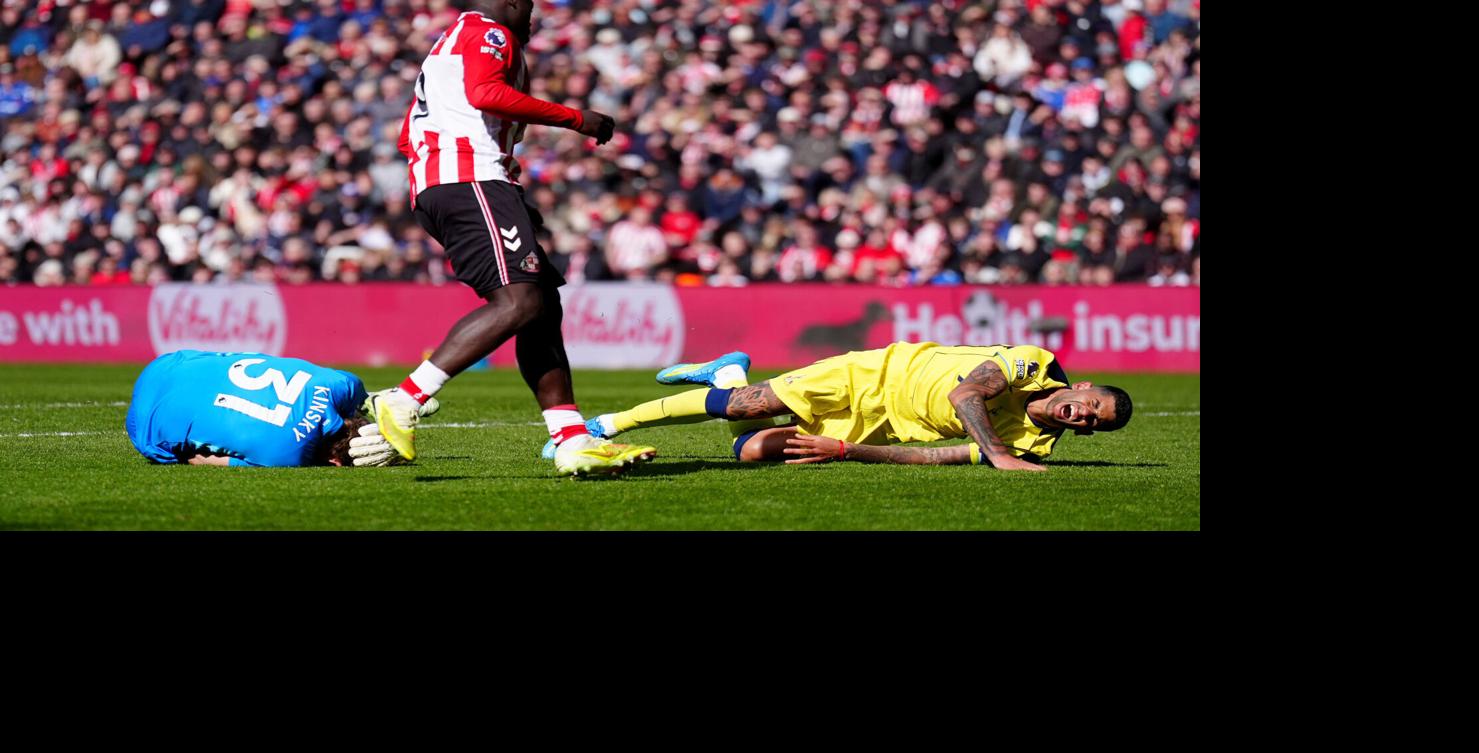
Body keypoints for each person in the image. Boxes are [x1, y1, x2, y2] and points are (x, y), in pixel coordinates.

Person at [371, 0, 654, 478]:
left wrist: (496, 168)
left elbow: (409, 135)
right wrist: (574, 118)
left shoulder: (449, 43)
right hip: (470, 182)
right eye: (527, 4)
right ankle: (404, 399)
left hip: (456, 183)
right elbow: (485, 92)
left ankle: (572, 440)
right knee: (520, 302)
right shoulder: (490, 33)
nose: (533, 13)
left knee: (541, 303)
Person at [544, 345, 1133, 472]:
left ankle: (723, 370)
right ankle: (602, 425)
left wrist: (847, 449)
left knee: (752, 453)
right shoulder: (1031, 363)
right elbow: (964, 396)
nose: (1082, 416)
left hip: (881, 421)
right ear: (1078, 386)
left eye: (1092, 424)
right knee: (748, 408)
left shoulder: (1038, 448)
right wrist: (999, 456)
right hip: (873, 373)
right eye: (1090, 403)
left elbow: (951, 453)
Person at [125, 350, 435, 468]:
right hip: (143, 427)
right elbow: (205, 460)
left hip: (170, 361)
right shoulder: (285, 457)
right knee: (185, 454)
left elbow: (360, 397)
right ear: (335, 462)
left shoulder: (343, 384)